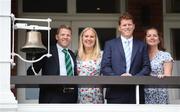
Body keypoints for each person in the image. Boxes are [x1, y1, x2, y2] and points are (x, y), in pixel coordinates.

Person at [100, 12, 151, 104]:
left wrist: (134, 78)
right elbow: (105, 67)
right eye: (124, 25)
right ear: (119, 27)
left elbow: (147, 67)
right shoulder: (110, 44)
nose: (127, 27)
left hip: (136, 92)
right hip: (115, 93)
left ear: (134, 26)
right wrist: (119, 78)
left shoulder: (142, 45)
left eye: (129, 24)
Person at [27, 25, 78, 103]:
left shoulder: (72, 54)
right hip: (51, 97)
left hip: (71, 97)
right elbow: (31, 72)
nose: (65, 37)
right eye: (63, 35)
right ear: (57, 37)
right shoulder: (47, 52)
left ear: (70, 38)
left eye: (68, 35)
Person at [144, 27, 173, 104]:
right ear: (145, 39)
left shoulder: (165, 55)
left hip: (160, 93)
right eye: (149, 35)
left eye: (155, 35)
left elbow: (168, 75)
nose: (152, 38)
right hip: (143, 93)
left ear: (159, 39)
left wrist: (163, 76)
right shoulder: (142, 55)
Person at [77, 27, 104, 104]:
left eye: (92, 36)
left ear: (95, 39)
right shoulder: (76, 55)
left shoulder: (102, 55)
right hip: (80, 97)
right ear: (82, 38)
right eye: (86, 36)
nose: (89, 39)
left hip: (96, 97)